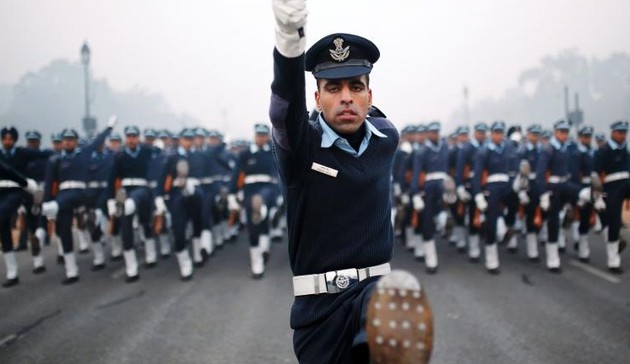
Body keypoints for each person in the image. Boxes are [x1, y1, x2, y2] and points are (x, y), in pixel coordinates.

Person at [269, 1, 432, 362]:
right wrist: (288, 35)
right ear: (317, 98)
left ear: (370, 96)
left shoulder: (386, 138)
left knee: (397, 297)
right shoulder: (301, 147)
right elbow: (283, 109)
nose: (346, 96)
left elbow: (376, 121)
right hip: (318, 315)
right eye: (333, 87)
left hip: (374, 296)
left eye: (356, 87)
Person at [41, 119, 115, 284]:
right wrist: (46, 201)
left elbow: (98, 140)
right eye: (65, 140)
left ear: (75, 141)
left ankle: (99, 256)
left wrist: (109, 127)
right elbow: (49, 182)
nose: (67, 142)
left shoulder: (83, 153)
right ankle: (71, 271)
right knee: (63, 229)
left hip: (81, 193)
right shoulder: (55, 159)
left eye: (71, 139)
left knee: (90, 223)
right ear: (62, 142)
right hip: (62, 195)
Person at [228, 124, 281, 278]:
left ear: (268, 136)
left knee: (262, 220)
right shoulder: (245, 154)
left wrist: (280, 195)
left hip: (269, 188)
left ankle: (264, 249)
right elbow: (236, 175)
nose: (261, 138)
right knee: (254, 225)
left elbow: (279, 175)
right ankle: (257, 261)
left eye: (264, 135)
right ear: (254, 136)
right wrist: (232, 195)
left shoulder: (273, 152)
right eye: (258, 135)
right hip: (250, 189)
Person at [0, 126, 42, 287]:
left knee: (32, 223)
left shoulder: (22, 153)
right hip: (3, 193)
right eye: (5, 138)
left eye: (10, 138)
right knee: (4, 231)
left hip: (21, 192)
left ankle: (38, 261)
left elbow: (40, 155)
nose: (7, 141)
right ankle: (12, 273)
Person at [594, 120, 628, 274]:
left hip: (627, 184)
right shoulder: (603, 150)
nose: (622, 135)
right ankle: (613, 261)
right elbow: (595, 175)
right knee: (614, 223)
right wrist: (598, 196)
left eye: (624, 132)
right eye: (619, 132)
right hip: (611, 186)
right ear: (612, 133)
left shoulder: (626, 149)